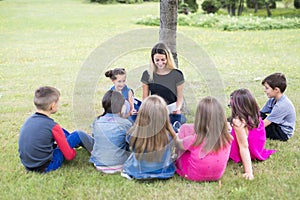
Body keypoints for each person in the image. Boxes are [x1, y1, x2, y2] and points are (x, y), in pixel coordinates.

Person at [18, 86, 94, 173]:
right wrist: (71, 151)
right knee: (78, 134)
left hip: (28, 165)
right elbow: (69, 156)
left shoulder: (29, 121)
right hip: (47, 166)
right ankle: (99, 149)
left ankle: (74, 142)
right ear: (52, 106)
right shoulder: (52, 126)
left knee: (59, 131)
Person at [175, 97, 233, 182]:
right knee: (187, 128)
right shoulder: (228, 138)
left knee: (184, 129)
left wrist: (175, 134)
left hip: (193, 175)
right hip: (217, 175)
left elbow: (177, 144)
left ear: (200, 118)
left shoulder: (194, 140)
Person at [121, 95, 176, 180]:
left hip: (138, 171)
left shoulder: (133, 133)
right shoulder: (170, 135)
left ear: (142, 115)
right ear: (164, 116)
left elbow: (128, 141)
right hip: (163, 173)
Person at [229, 88, 276, 180]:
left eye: (231, 105)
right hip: (257, 150)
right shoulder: (255, 116)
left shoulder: (238, 122)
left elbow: (244, 147)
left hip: (245, 152)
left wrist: (249, 172)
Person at [141, 42, 186, 127]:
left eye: (163, 60)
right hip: (155, 111)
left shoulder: (177, 74)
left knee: (178, 123)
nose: (160, 63)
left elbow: (180, 97)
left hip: (171, 111)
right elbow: (145, 98)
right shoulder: (147, 74)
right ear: (152, 60)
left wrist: (178, 108)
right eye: (157, 60)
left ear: (167, 59)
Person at [89, 90, 132, 174]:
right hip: (120, 164)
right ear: (122, 106)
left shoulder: (97, 121)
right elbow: (132, 142)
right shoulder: (126, 124)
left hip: (98, 164)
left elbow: (95, 137)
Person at [260, 73, 296, 141]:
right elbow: (261, 113)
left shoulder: (281, 105)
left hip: (282, 133)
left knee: (258, 129)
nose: (265, 90)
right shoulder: (272, 100)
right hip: (276, 124)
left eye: (267, 88)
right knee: (257, 116)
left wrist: (248, 129)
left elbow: (263, 124)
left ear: (276, 90)